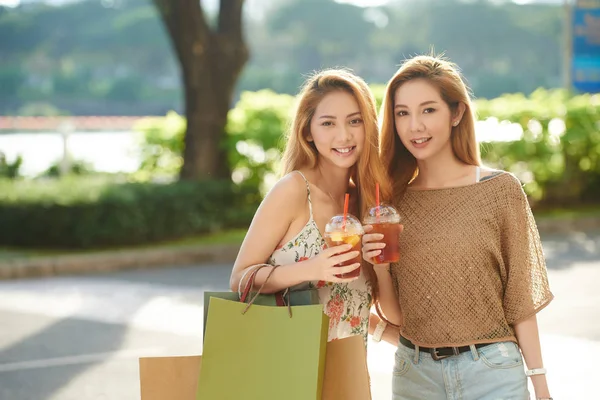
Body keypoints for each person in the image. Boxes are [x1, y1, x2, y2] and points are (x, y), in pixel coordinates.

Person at [363, 55, 554, 399]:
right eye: (402, 113)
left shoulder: (499, 190)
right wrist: (379, 268)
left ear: (456, 113)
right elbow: (397, 316)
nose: (414, 126)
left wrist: (540, 385)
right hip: (414, 376)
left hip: (493, 373)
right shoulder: (391, 206)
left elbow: (520, 301)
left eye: (428, 110)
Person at [230, 68, 391, 343]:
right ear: (308, 132)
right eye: (328, 123)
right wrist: (311, 269)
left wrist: (398, 337)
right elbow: (240, 279)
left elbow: (345, 304)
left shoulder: (365, 207)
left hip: (348, 370)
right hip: (289, 368)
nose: (343, 136)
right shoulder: (294, 190)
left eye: (355, 121)